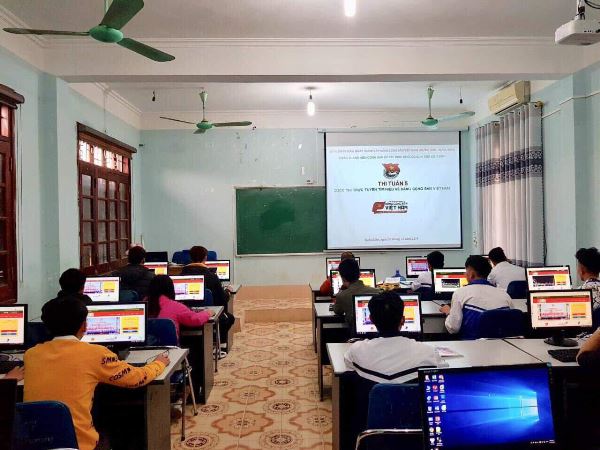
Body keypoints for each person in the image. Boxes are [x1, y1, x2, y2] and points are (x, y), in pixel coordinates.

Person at [23, 295, 169, 450]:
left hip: (33, 443)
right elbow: (137, 378)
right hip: (78, 444)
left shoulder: (31, 355)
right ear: (84, 326)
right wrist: (159, 363)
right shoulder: (95, 354)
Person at [344, 291, 443, 383]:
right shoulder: (429, 352)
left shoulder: (356, 350)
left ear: (371, 320)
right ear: (403, 320)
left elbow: (349, 368)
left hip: (371, 397)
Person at [440, 255, 514, 339]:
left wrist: (449, 312)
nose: (465, 274)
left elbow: (453, 328)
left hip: (472, 345)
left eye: (466, 271)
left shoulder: (460, 293)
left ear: (472, 274)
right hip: (502, 345)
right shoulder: (504, 295)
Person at [180, 246, 235, 344]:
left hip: (186, 315)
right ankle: (216, 342)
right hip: (209, 315)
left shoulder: (180, 275)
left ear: (190, 258)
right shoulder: (212, 276)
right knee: (229, 318)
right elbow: (222, 300)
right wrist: (227, 292)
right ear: (205, 258)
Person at [147, 275, 213, 337]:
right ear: (170, 289)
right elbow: (195, 319)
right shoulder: (174, 306)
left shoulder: (144, 305)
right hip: (170, 345)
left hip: (146, 344)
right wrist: (207, 313)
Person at [333, 259, 381, 326]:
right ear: (359, 274)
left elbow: (337, 311)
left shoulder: (342, 295)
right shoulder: (378, 292)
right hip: (376, 330)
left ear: (342, 277)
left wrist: (341, 291)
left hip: (353, 332)